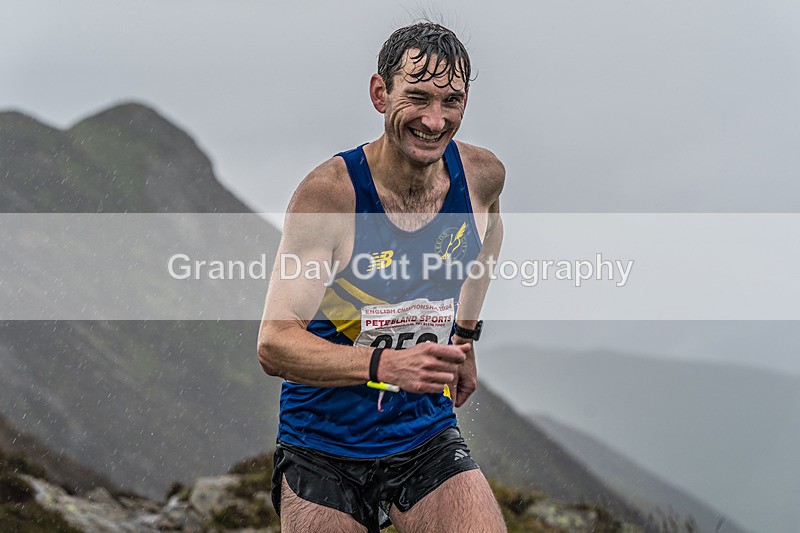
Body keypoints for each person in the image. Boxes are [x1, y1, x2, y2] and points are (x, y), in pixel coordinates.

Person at [258, 21, 506, 533]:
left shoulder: (481, 176)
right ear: (379, 93)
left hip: (424, 434)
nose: (435, 121)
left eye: (451, 102)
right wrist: (387, 365)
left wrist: (464, 335)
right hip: (321, 445)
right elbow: (275, 344)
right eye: (416, 97)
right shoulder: (331, 195)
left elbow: (489, 236)